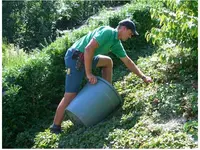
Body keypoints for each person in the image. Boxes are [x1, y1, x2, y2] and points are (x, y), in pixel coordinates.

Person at [50, 19, 153, 134]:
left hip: (87, 57)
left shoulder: (116, 43)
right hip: (75, 57)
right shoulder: (108, 32)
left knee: (107, 62)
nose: (130, 36)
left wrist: (143, 77)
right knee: (70, 95)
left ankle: (105, 93)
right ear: (123, 28)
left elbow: (128, 62)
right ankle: (55, 127)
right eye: (130, 33)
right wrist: (89, 73)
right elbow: (88, 49)